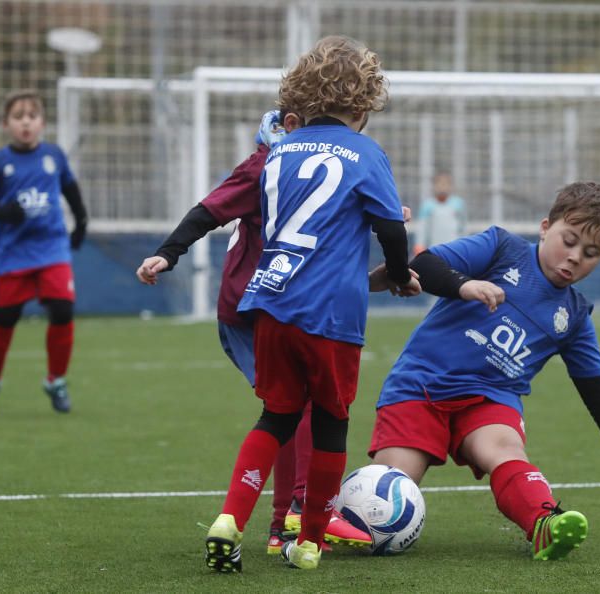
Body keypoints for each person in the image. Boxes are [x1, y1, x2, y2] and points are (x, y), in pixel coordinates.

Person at [369, 181, 600, 561]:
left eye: (591, 252)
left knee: (504, 447)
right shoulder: (502, 248)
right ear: (546, 226)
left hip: (489, 398)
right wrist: (464, 286)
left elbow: (598, 391)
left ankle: (545, 524)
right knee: (387, 498)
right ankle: (326, 516)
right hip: (421, 385)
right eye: (568, 240)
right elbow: (423, 265)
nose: (574, 257)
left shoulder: (575, 318)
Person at [203, 35, 420, 573]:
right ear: (366, 103)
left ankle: (230, 519)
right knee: (331, 423)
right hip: (330, 315)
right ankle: (309, 541)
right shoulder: (367, 152)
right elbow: (392, 229)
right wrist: (397, 273)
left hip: (270, 303)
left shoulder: (279, 151)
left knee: (274, 415)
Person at [135, 109, 371, 555]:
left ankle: (283, 524)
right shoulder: (268, 163)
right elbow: (209, 209)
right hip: (257, 305)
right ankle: (302, 508)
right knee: (298, 405)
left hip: (283, 302)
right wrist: (169, 252)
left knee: (285, 407)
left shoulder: (313, 163)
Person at [0, 89, 88, 414]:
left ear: (42, 122)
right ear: (6, 123)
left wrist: (81, 222)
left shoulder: (54, 155)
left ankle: (56, 380)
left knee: (63, 311)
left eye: (31, 117)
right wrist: (3, 211)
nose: (26, 124)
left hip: (52, 248)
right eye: (18, 117)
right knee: (5, 320)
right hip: (12, 253)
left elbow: (71, 190)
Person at [412, 171, 467, 257]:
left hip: (454, 250)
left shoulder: (458, 204)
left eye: (446, 183)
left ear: (451, 186)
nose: (442, 186)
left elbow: (463, 228)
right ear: (434, 186)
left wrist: (464, 246)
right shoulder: (427, 205)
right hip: (434, 250)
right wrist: (419, 245)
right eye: (439, 183)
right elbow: (422, 228)